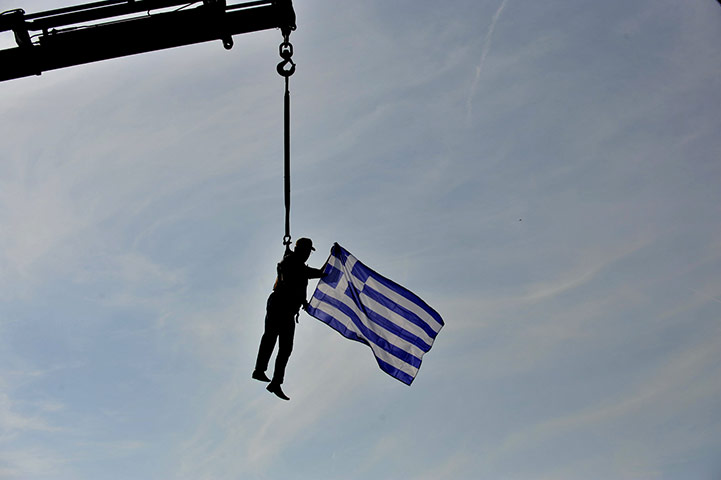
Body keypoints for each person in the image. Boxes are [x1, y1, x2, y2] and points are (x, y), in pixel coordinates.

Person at [252, 237, 325, 400]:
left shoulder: (297, 264)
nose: (308, 255)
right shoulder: (292, 262)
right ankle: (259, 370)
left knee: (285, 347)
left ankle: (276, 382)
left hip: (289, 309)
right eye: (306, 251)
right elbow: (316, 273)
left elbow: (319, 273)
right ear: (300, 250)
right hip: (280, 304)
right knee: (271, 337)